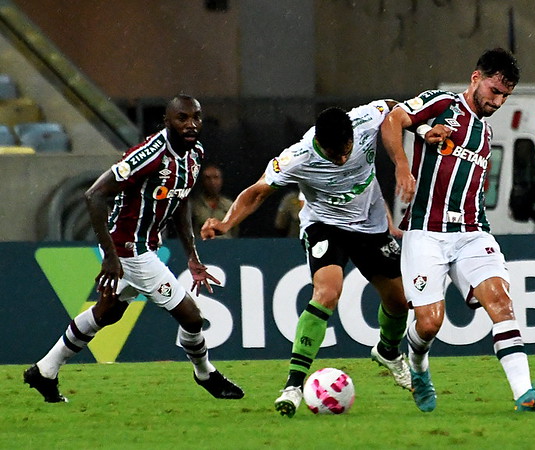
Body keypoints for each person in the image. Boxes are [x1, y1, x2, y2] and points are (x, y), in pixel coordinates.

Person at [23, 95, 244, 402]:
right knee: (191, 318)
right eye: (182, 118)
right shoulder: (149, 154)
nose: (191, 124)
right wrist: (112, 257)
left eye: (196, 117)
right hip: (127, 248)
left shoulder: (195, 153)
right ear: (167, 122)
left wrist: (192, 256)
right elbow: (94, 195)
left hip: (143, 246)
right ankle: (206, 373)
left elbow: (178, 202)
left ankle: (45, 370)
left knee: (107, 312)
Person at [381, 48, 535, 413]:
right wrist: (402, 165)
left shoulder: (485, 132)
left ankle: (524, 393)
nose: (498, 101)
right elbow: (392, 119)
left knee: (500, 301)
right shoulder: (442, 104)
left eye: (505, 96)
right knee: (430, 323)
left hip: (471, 232)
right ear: (476, 77)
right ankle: (417, 366)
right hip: (426, 231)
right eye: (495, 91)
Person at [201, 101, 411, 418]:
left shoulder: (366, 119)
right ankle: (294, 385)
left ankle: (388, 352)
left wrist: (417, 137)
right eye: (333, 154)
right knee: (327, 292)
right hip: (325, 225)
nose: (342, 158)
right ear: (319, 145)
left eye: (346, 151)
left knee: (398, 301)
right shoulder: (298, 157)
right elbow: (257, 192)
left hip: (370, 225)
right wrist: (226, 223)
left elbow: (398, 110)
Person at [191, 163, 238, 239]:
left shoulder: (230, 205)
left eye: (216, 177)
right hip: (201, 245)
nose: (212, 182)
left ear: (221, 180)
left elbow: (235, 231)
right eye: (208, 178)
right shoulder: (193, 205)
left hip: (227, 246)